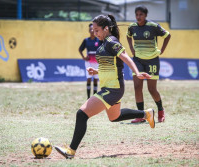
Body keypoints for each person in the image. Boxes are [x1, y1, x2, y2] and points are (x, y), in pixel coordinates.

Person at [55, 14, 155, 159]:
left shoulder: (111, 41)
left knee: (81, 114)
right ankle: (146, 114)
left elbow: (125, 57)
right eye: (93, 30)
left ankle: (71, 151)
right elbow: (111, 65)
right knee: (115, 117)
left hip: (113, 89)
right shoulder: (104, 43)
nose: (94, 33)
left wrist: (137, 72)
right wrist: (96, 71)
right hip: (110, 87)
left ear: (106, 28)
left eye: (97, 30)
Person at [127, 5, 171, 123]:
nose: (138, 17)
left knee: (151, 89)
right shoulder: (132, 27)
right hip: (138, 60)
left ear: (145, 15)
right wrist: (131, 48)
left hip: (152, 60)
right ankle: (141, 115)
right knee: (137, 87)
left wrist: (162, 50)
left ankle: (160, 110)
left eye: (141, 14)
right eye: (137, 14)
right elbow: (128, 36)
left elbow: (167, 35)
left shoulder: (153, 26)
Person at [79, 23, 102, 99]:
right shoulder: (86, 40)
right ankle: (88, 98)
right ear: (89, 31)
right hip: (88, 62)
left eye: (93, 29)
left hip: (96, 62)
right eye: (90, 29)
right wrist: (83, 57)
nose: (92, 31)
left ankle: (94, 97)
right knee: (89, 78)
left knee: (95, 79)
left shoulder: (98, 40)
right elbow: (80, 49)